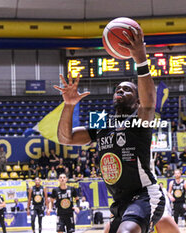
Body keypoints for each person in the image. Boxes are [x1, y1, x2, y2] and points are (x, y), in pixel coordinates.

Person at [54, 25, 165, 233]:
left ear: (136, 100)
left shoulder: (139, 122)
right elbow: (65, 138)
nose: (120, 90)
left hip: (145, 195)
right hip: (121, 201)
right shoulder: (102, 126)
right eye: (118, 89)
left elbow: (149, 103)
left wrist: (140, 58)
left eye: (127, 89)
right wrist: (68, 105)